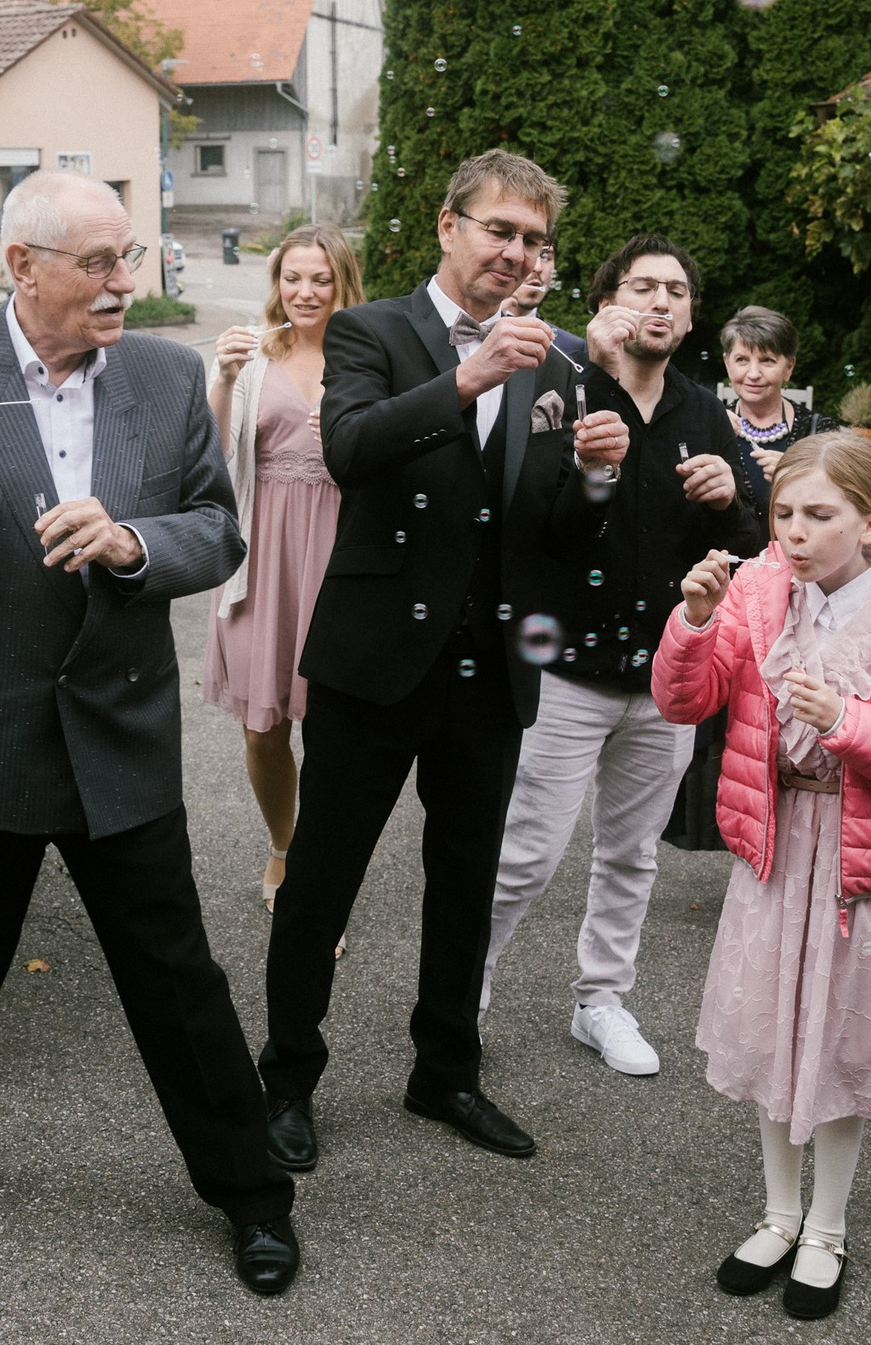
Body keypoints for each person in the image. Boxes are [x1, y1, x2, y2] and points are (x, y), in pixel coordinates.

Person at [0, 171, 303, 1296]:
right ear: (22, 267)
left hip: (115, 729)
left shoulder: (163, 372)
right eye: (97, 262)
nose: (122, 283)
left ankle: (250, 1196)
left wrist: (133, 545)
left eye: (127, 258)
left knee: (178, 980)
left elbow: (214, 532)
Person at [259, 149, 629, 1171]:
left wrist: (597, 478)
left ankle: (446, 1072)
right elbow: (348, 450)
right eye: (499, 230)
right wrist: (465, 378)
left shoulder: (557, 360)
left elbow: (554, 531)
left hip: (491, 664)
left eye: (533, 240)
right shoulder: (373, 329)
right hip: (375, 657)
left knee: (465, 881)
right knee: (323, 877)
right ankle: (286, 1075)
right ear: (447, 227)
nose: (515, 253)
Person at [653, 433, 871, 1321]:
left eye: (818, 515)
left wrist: (849, 720)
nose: (793, 531)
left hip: (857, 859)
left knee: (836, 1040)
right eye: (783, 512)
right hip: (775, 837)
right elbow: (684, 701)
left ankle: (827, 1227)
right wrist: (695, 620)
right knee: (771, 1027)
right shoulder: (758, 589)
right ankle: (778, 1213)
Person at [478, 234, 762, 1077]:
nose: (660, 302)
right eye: (642, 286)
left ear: (691, 315)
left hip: (665, 677)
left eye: (676, 290)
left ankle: (601, 999)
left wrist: (734, 496)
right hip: (566, 668)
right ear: (606, 301)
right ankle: (466, 987)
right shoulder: (563, 384)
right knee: (527, 849)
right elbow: (527, 519)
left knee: (632, 852)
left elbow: (751, 541)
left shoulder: (705, 412)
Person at [205, 223, 365, 909]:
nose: (304, 291)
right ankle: (283, 843)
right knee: (264, 728)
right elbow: (209, 462)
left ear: (343, 284)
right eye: (292, 277)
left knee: (335, 734)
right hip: (263, 561)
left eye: (320, 278)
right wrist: (222, 377)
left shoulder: (369, 360)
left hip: (343, 561)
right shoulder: (255, 358)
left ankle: (322, 882)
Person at [720, 305, 833, 503]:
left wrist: (798, 478)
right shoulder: (712, 425)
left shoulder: (818, 432)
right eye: (742, 360)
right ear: (728, 364)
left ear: (789, 367)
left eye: (767, 361)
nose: (753, 374)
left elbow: (842, 499)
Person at [503, 242, 585, 364]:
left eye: (545, 257)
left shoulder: (571, 348)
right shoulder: (469, 333)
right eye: (527, 253)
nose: (538, 268)